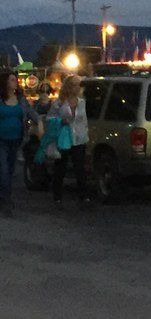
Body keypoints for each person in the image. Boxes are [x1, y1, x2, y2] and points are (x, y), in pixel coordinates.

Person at [0, 71, 43, 216]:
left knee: (10, 170)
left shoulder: (21, 99)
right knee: (4, 170)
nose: (15, 82)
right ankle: (6, 201)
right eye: (12, 80)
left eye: (15, 80)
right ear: (5, 82)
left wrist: (40, 121)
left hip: (16, 139)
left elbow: (30, 112)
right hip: (2, 140)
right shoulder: (1, 99)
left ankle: (3, 195)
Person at [51, 74, 90, 206]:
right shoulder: (59, 103)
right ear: (69, 86)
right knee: (61, 167)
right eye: (75, 84)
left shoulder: (82, 103)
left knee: (79, 167)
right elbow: (50, 119)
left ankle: (83, 196)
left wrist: (85, 136)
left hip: (78, 139)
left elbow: (84, 122)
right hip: (64, 138)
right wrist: (61, 121)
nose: (78, 87)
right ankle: (57, 196)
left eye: (79, 84)